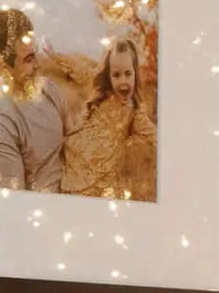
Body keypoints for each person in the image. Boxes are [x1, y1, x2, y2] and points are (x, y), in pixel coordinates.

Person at [0, 6, 71, 191]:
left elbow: (75, 149)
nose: (37, 65)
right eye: (28, 59)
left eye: (36, 54)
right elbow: (16, 201)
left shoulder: (49, 89)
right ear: (6, 66)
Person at [61, 30, 155, 200]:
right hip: (75, 173)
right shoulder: (103, 96)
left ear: (135, 73)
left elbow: (154, 136)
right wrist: (54, 55)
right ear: (109, 77)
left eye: (128, 73)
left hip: (102, 188)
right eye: (116, 75)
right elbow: (82, 71)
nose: (123, 81)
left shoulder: (135, 113)